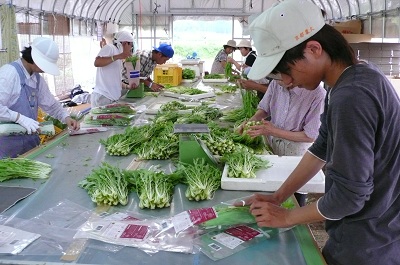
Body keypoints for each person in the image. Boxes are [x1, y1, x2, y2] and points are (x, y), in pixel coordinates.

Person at [244, 0, 400, 264]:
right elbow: (321, 147)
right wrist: (280, 197)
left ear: (314, 49)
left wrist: (287, 217)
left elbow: (350, 198)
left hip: (367, 243)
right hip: (375, 230)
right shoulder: (351, 79)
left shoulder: (352, 96)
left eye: (286, 70)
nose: (287, 82)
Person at [239, 79, 326, 206]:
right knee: (273, 188)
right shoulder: (276, 83)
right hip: (274, 147)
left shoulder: (318, 94)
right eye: (277, 77)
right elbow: (264, 109)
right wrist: (250, 121)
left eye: (282, 77)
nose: (280, 81)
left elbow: (310, 136)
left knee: (295, 195)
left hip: (297, 154)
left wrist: (273, 131)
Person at [0, 37, 79, 158]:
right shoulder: (9, 74)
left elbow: (50, 104)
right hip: (7, 148)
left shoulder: (36, 79)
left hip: (30, 145)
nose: (44, 70)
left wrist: (66, 117)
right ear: (35, 60)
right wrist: (19, 118)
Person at [91, 31, 134, 108]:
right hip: (103, 97)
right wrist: (118, 56)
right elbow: (97, 62)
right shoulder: (110, 48)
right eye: (131, 45)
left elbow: (115, 80)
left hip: (110, 98)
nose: (131, 48)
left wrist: (128, 86)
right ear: (125, 43)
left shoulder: (118, 56)